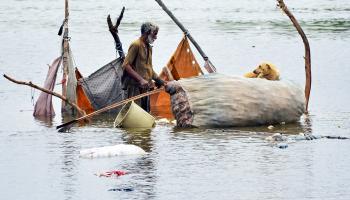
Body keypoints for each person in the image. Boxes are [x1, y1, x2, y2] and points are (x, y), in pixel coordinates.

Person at [122, 22, 166, 112]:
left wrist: (162, 82)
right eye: (154, 34)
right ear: (147, 32)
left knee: (145, 114)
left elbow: (150, 69)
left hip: (146, 89)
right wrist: (140, 80)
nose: (156, 37)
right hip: (135, 88)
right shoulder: (136, 45)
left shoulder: (149, 48)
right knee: (134, 114)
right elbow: (126, 66)